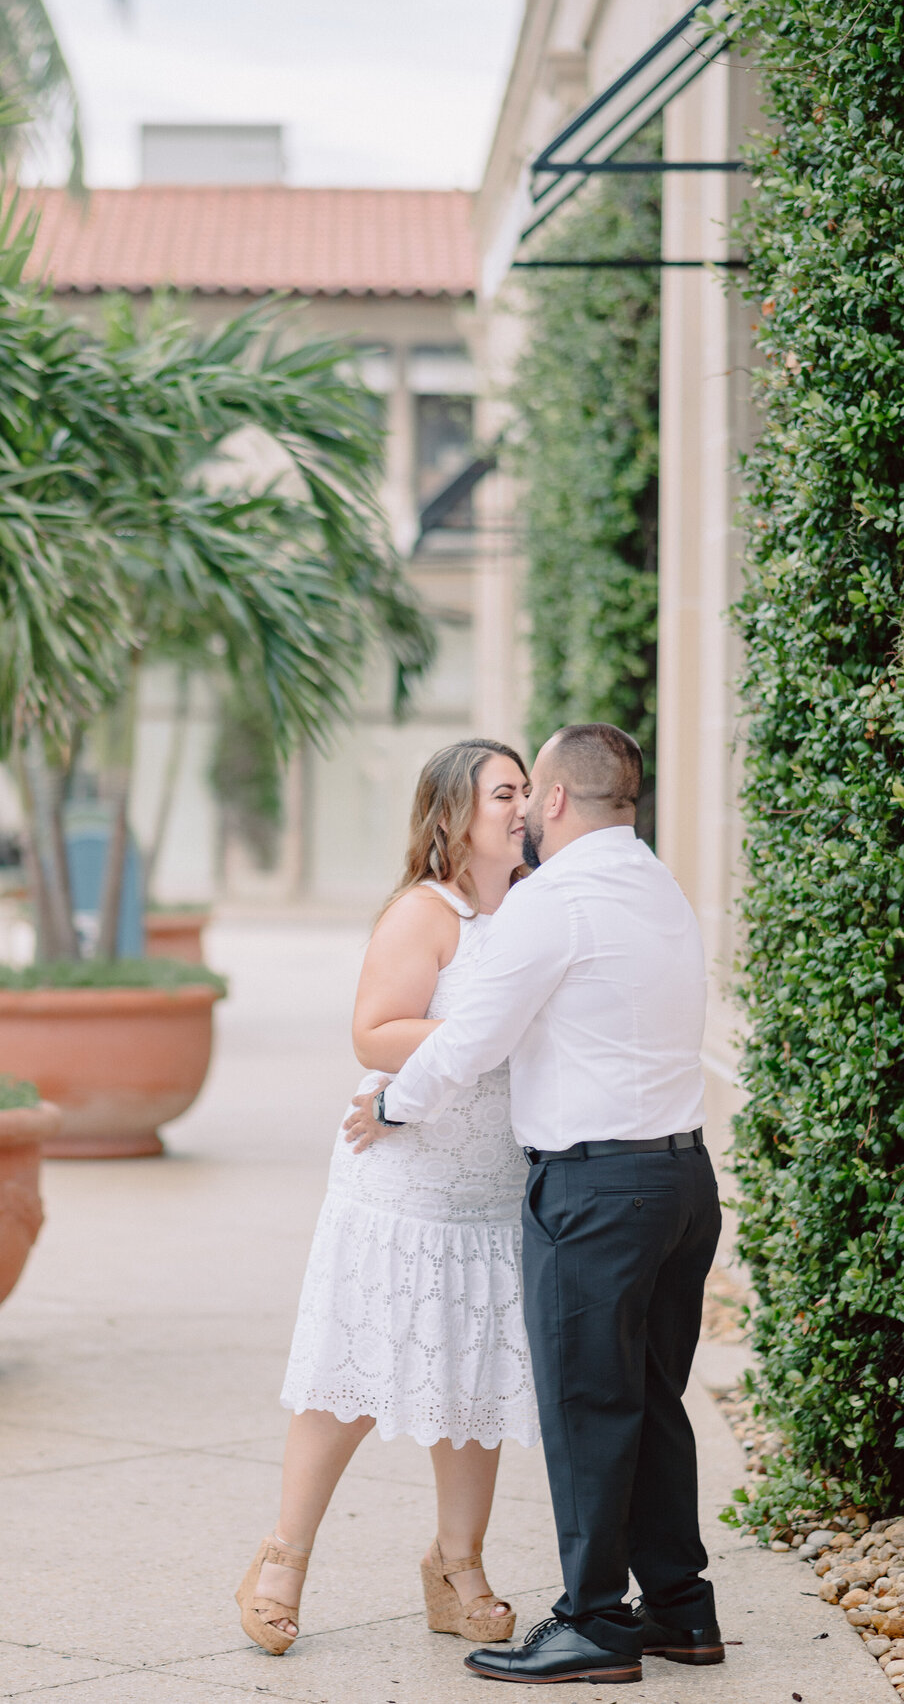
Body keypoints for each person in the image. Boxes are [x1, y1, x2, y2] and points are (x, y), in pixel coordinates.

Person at [344, 723, 723, 1686]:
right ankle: (682, 1610)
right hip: (683, 1180)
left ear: (554, 801)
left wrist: (391, 1104)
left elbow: (469, 1037)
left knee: (590, 1407)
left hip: (598, 1190)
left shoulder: (551, 902)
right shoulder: (662, 889)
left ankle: (594, 1622)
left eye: (529, 795)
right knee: (649, 1402)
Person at [235, 739, 540, 1656]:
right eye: (503, 794)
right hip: (403, 1191)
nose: (522, 807)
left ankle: (457, 1567)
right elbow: (374, 1032)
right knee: (352, 1375)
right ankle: (281, 1558)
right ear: (452, 816)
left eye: (526, 791)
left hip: (493, 1192)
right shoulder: (425, 912)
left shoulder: (535, 909)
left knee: (474, 1383)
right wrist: (488, 1031)